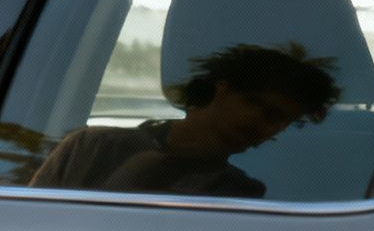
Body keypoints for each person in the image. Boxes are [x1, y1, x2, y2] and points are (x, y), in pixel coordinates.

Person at [30, 42, 341, 197]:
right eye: (254, 103)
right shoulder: (91, 146)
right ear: (222, 90)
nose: (257, 121)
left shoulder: (240, 192)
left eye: (277, 118)